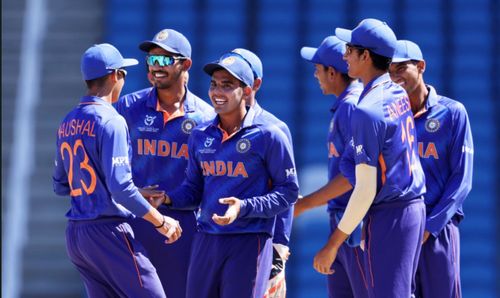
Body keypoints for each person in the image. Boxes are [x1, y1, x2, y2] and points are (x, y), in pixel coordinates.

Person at [152, 52, 299, 298]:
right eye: (214, 84)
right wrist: (166, 198)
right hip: (206, 240)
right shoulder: (200, 135)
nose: (217, 92)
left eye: (227, 85)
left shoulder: (269, 133)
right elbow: (193, 190)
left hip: (249, 242)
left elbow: (288, 192)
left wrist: (244, 208)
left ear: (248, 91)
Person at [52, 43, 182, 297]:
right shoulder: (111, 120)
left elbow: (60, 184)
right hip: (108, 231)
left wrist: (126, 190)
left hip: (77, 236)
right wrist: (161, 221)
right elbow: (120, 188)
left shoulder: (67, 121)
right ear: (115, 76)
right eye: (123, 73)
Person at [312, 18, 427, 298]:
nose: (345, 55)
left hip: (391, 214)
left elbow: (365, 190)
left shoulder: (368, 109)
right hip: (411, 207)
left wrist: (333, 244)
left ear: (365, 55)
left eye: (350, 49)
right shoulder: (396, 90)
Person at [114, 28, 214, 298]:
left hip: (183, 230)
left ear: (186, 64)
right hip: (134, 224)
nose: (155, 67)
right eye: (151, 60)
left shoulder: (208, 118)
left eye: (164, 60)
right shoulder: (127, 108)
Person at [389, 40, 473, 298]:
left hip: (437, 230)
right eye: (390, 71)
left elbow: (462, 180)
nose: (394, 77)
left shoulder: (452, 113)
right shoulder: (388, 116)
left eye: (402, 68)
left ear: (421, 66)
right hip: (399, 228)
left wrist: (430, 225)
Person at [297, 36, 367, 297]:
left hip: (354, 225)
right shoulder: (345, 105)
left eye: (317, 68)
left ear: (333, 72)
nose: (315, 74)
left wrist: (304, 204)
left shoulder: (351, 107)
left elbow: (354, 177)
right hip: (343, 222)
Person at [230, 47, 295, 298]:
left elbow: (286, 191)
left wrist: (279, 248)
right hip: (218, 244)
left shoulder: (274, 128)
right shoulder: (208, 128)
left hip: (260, 246)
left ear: (254, 84)